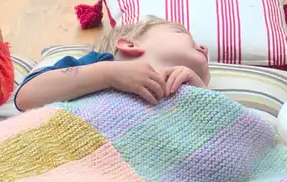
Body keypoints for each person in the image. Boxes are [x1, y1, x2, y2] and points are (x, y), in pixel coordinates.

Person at [14, 17, 209, 111]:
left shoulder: (193, 93)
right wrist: (107, 74)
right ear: (129, 44)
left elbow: (233, 135)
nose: (203, 47)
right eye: (180, 33)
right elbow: (26, 97)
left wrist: (203, 94)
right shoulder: (100, 66)